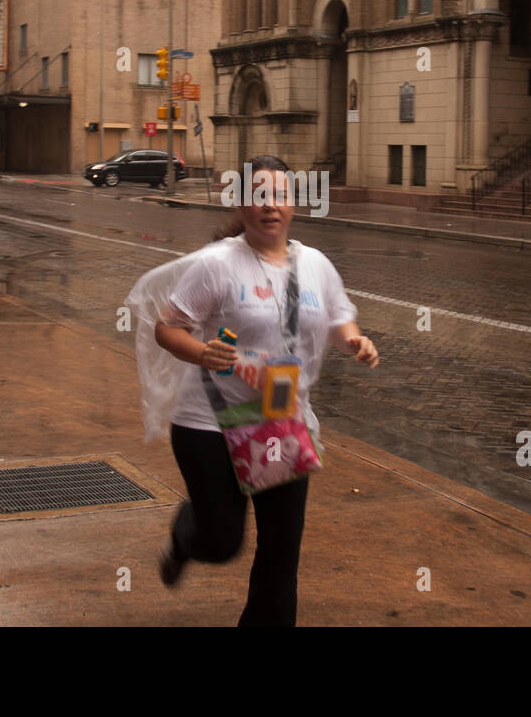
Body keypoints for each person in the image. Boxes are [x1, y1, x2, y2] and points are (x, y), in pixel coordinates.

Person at [151, 154, 380, 626]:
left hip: (280, 422)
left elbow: (339, 316)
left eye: (278, 195)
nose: (269, 206)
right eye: (258, 196)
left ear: (293, 203)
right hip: (209, 424)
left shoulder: (315, 265)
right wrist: (200, 352)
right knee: (222, 541)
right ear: (240, 204)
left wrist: (354, 339)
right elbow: (166, 328)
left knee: (280, 553)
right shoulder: (217, 265)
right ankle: (187, 533)